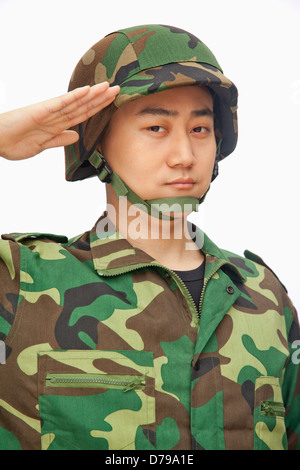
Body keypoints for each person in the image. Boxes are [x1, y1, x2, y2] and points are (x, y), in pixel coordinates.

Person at [0, 24, 299, 451]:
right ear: (96, 142)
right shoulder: (20, 281)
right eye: (156, 128)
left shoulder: (263, 295)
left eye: (200, 129)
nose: (184, 156)